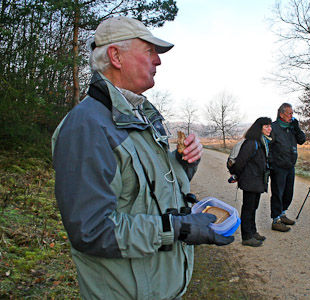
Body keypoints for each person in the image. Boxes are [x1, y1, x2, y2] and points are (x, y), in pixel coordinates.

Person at [52, 16, 233, 300]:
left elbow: (146, 189)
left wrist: (183, 163)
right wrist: (178, 228)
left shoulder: (138, 115)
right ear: (116, 56)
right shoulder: (88, 127)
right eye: (149, 51)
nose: (157, 61)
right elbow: (91, 230)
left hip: (160, 287)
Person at [234, 117, 272, 247]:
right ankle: (247, 236)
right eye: (266, 126)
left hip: (257, 181)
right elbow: (240, 162)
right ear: (259, 128)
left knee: (253, 207)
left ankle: (253, 231)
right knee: (248, 209)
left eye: (270, 126)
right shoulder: (251, 143)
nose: (269, 129)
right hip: (250, 181)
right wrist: (237, 176)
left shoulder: (263, 143)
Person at [269, 103, 306, 232]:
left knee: (288, 192)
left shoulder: (291, 127)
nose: (291, 116)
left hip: (290, 165)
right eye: (289, 113)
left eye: (292, 113)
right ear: (281, 114)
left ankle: (282, 213)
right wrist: (272, 162)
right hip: (278, 166)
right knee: (277, 193)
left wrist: (297, 127)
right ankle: (276, 219)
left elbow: (302, 140)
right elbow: (268, 146)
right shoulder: (273, 127)